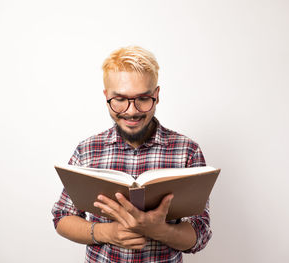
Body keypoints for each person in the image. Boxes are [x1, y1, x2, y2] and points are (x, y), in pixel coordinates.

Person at [51, 46, 212, 262]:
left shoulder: (187, 151)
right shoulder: (87, 150)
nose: (132, 110)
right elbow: (62, 218)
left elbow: (200, 233)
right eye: (119, 99)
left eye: (143, 98)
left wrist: (159, 230)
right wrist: (107, 233)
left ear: (156, 95)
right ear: (106, 96)